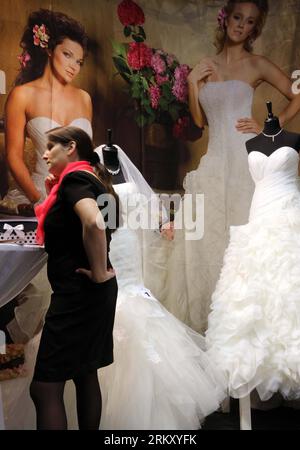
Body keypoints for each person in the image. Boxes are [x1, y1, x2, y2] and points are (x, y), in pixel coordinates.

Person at [150, 0, 300, 334]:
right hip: (214, 162)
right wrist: (192, 85)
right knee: (207, 244)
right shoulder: (205, 66)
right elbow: (199, 123)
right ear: (224, 18)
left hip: (245, 165)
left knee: (243, 244)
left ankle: (243, 332)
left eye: (249, 23)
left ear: (254, 29)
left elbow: (297, 93)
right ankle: (209, 329)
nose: (241, 26)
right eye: (237, 18)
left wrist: (269, 125)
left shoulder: (257, 64)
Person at [68, 144, 226, 430]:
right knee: (110, 304)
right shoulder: (91, 171)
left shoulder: (125, 171)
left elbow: (146, 206)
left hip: (127, 242)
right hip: (103, 241)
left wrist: (162, 223)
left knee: (135, 298)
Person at [0, 8, 92, 346]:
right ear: (49, 48)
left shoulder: (84, 98)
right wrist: (42, 200)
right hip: (36, 195)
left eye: (79, 61)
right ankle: (34, 359)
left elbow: (86, 158)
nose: (73, 65)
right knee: (42, 290)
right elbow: (12, 155)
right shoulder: (22, 95)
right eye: (68, 54)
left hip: (76, 196)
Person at [206, 112, 300, 401]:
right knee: (252, 290)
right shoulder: (251, 144)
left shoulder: (295, 139)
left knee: (288, 283)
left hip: (288, 213)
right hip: (258, 212)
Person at [29, 126, 118, 430]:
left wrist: (96, 271)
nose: (43, 154)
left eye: (49, 147)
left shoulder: (75, 180)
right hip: (96, 293)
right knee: (84, 373)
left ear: (70, 148)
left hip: (78, 294)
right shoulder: (95, 179)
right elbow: (111, 222)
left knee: (43, 389)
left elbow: (94, 222)